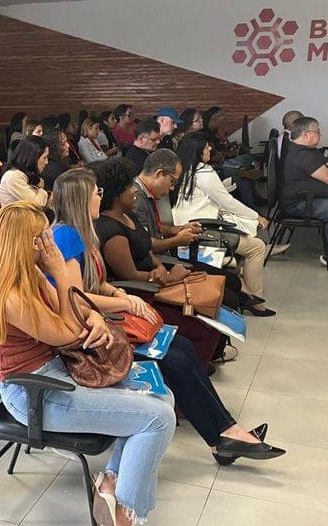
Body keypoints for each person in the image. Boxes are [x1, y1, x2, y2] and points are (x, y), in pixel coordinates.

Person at [0, 200, 176, 526]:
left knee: (162, 397)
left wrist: (95, 318)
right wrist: (62, 271)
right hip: (33, 393)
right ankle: (121, 524)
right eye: (44, 236)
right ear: (27, 244)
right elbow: (67, 332)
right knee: (157, 419)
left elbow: (76, 311)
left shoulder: (32, 277)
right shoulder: (9, 298)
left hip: (57, 371)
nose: (51, 242)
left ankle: (110, 483)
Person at [50, 169, 285, 464]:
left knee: (182, 346)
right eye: (96, 192)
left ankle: (226, 433)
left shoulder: (84, 233)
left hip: (99, 317)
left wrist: (119, 293)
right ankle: (223, 436)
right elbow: (75, 298)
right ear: (80, 198)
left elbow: (95, 283)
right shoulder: (66, 236)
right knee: (175, 358)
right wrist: (123, 303)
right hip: (86, 333)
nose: (100, 196)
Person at [92, 158, 222, 369]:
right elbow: (130, 276)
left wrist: (160, 267)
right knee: (204, 329)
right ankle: (196, 371)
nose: (135, 189)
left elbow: (147, 249)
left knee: (211, 314)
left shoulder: (128, 215)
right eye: (129, 186)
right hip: (144, 293)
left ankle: (197, 368)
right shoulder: (111, 231)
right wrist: (168, 277)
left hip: (158, 281)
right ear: (117, 193)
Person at [173, 134, 274, 316]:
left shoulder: (180, 170)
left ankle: (244, 292)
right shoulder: (203, 172)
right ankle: (254, 300)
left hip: (184, 229)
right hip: (204, 231)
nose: (210, 149)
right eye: (206, 147)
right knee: (257, 247)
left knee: (246, 239)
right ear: (198, 151)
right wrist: (256, 216)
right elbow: (227, 202)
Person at [131, 150, 242, 312]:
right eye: (172, 181)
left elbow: (156, 228)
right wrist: (178, 240)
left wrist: (179, 229)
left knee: (232, 282)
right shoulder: (137, 199)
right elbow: (146, 243)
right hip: (159, 264)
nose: (172, 188)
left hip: (163, 259)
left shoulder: (145, 193)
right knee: (229, 293)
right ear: (159, 174)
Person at [280, 116, 328, 267]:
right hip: (299, 204)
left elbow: (326, 164)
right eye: (317, 131)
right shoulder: (302, 155)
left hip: (307, 198)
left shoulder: (305, 150)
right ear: (306, 134)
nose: (320, 134)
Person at [0, 136, 49, 206]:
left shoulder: (26, 175)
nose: (46, 162)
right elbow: (37, 204)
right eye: (44, 158)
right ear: (33, 158)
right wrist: (41, 189)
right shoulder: (13, 176)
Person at [41, 126, 71, 191]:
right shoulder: (53, 169)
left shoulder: (57, 162)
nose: (68, 145)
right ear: (54, 146)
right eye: (63, 143)